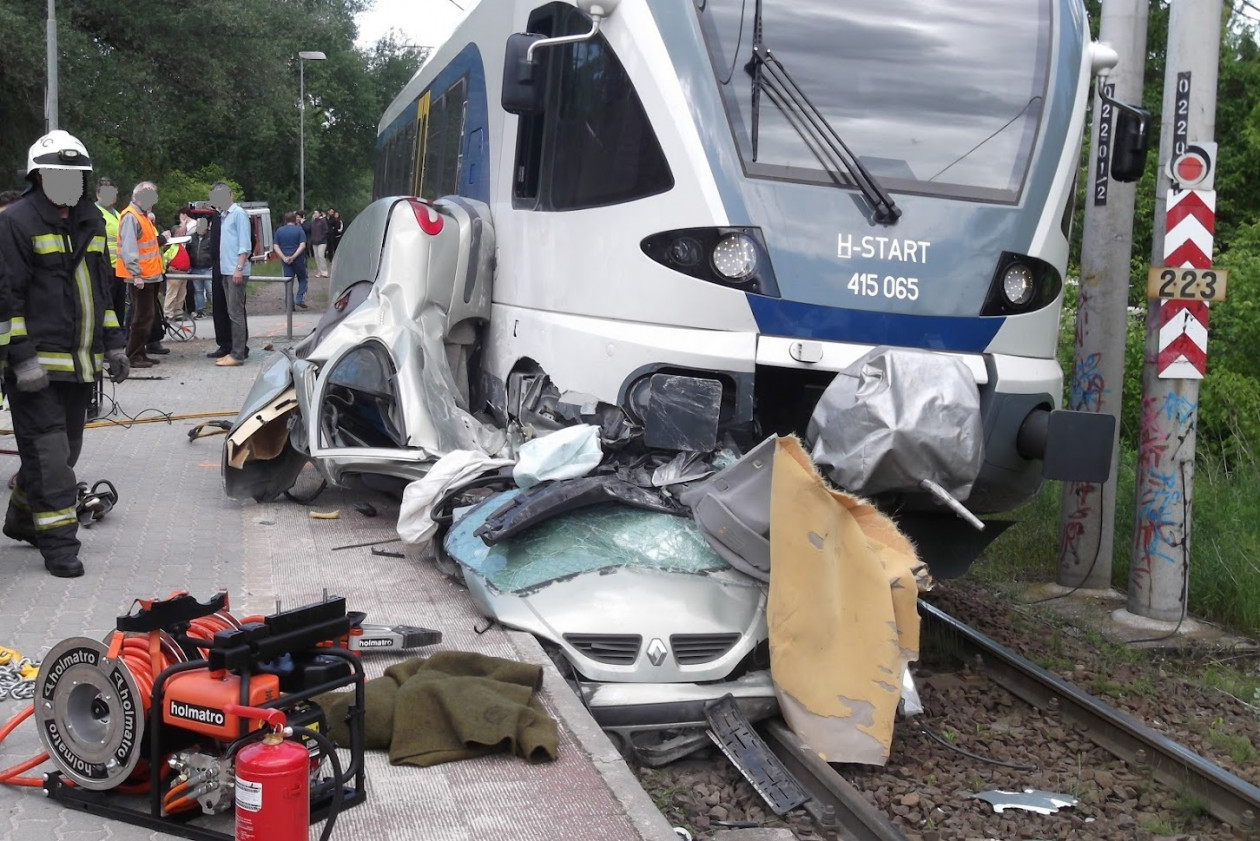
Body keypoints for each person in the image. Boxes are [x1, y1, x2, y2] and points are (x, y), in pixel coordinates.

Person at [0, 129, 129, 578]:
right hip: (33, 368)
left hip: (79, 365)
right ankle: (59, 546)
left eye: (76, 175)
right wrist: (21, 358)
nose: (68, 183)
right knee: (53, 460)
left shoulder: (91, 221)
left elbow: (103, 293)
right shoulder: (15, 222)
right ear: (38, 178)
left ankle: (20, 516)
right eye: (59, 174)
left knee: (65, 450)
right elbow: (6, 298)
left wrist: (114, 344)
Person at [116, 183, 164, 368]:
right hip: (141, 277)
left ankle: (139, 353)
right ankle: (134, 355)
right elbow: (129, 249)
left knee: (146, 317)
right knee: (142, 318)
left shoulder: (143, 217)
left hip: (149, 275)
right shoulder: (131, 217)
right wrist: (136, 275)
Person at [212, 181, 251, 366]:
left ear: (230, 196)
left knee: (235, 313)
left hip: (235, 270)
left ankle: (237, 354)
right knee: (231, 312)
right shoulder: (223, 216)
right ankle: (233, 351)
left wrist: (239, 268)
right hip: (225, 270)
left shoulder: (238, 214)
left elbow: (245, 244)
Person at [273, 211, 309, 310]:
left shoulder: (279, 231)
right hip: (298, 259)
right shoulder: (299, 230)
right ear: (295, 220)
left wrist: (284, 257)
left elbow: (276, 246)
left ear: (285, 220)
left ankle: (289, 305)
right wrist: (294, 256)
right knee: (303, 279)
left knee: (288, 282)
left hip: (285, 261)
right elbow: (302, 245)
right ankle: (299, 298)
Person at [186, 214, 214, 318]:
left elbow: (216, 251)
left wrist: (214, 264)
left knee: (210, 291)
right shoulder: (192, 238)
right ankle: (200, 311)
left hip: (208, 268)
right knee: (198, 291)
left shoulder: (211, 237)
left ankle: (216, 309)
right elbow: (188, 251)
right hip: (195, 267)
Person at [310, 209, 328, 278]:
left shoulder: (323, 221)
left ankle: (324, 272)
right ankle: (319, 271)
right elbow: (310, 229)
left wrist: (322, 237)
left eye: (316, 213)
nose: (315, 214)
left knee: (321, 256)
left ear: (320, 214)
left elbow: (326, 230)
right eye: (314, 213)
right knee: (316, 257)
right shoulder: (313, 221)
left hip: (322, 242)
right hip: (314, 241)